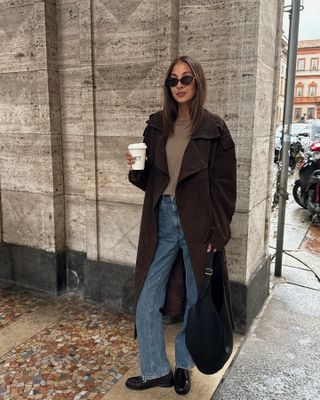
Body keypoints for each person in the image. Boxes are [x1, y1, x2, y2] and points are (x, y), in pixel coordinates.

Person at [125, 55, 237, 395]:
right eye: (173, 80)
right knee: (147, 295)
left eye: (186, 79)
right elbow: (150, 181)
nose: (179, 86)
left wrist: (218, 232)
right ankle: (156, 369)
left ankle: (184, 367)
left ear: (197, 83)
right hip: (162, 219)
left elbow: (224, 187)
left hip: (198, 223)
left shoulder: (214, 130)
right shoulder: (157, 125)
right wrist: (135, 168)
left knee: (195, 296)